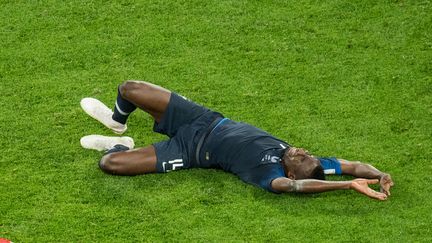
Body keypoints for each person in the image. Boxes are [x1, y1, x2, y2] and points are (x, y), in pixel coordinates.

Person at [80, 80, 394, 200]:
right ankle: (116, 123)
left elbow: (299, 188)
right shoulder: (316, 165)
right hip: (202, 118)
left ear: (290, 174)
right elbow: (352, 165)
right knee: (130, 88)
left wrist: (348, 186)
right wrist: (378, 175)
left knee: (111, 164)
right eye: (307, 153)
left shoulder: (271, 176)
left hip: (190, 151)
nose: (301, 151)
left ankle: (119, 144)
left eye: (301, 158)